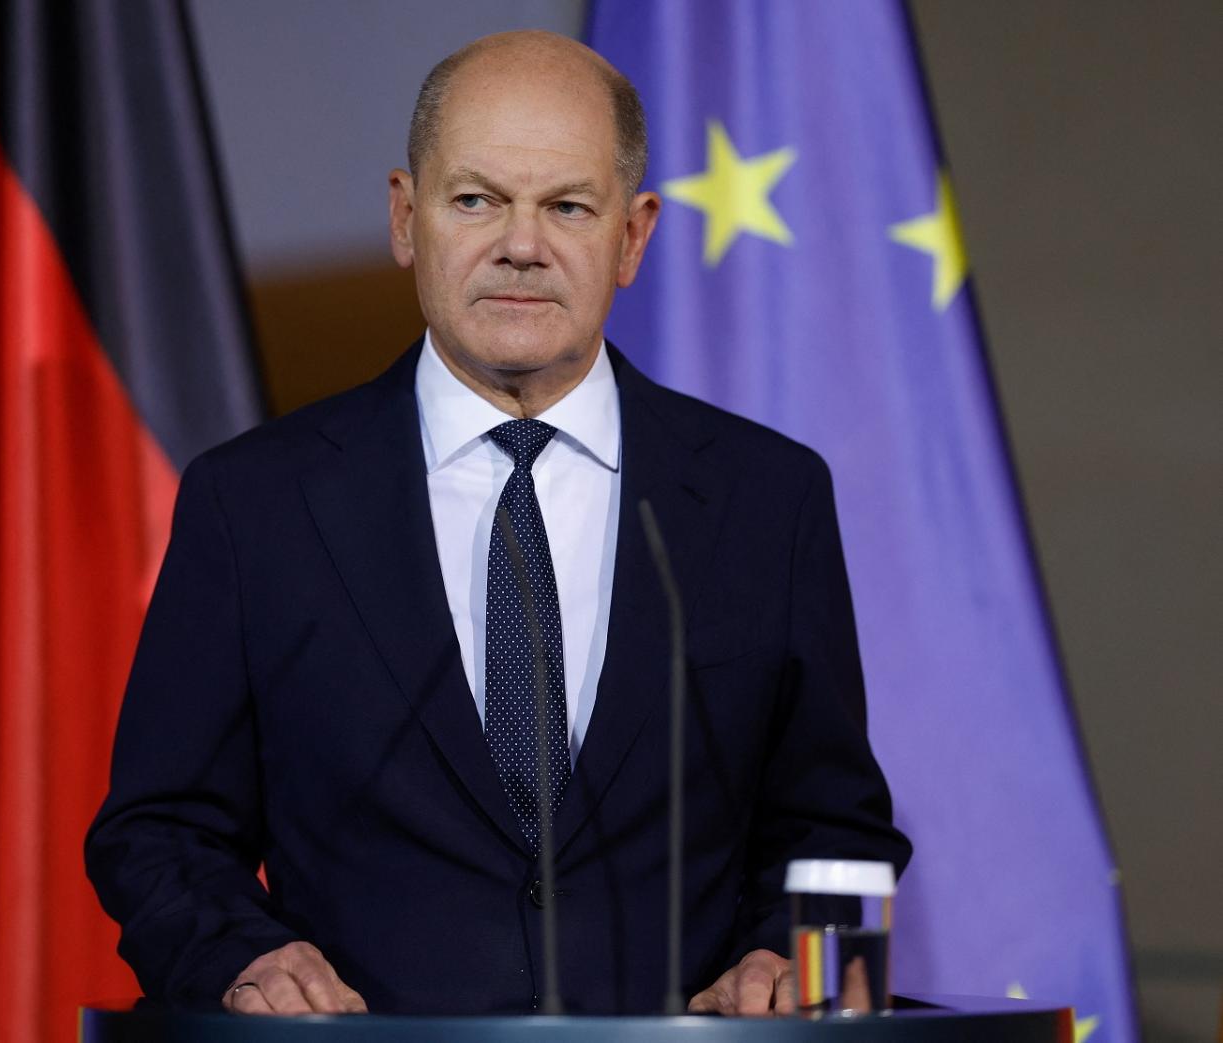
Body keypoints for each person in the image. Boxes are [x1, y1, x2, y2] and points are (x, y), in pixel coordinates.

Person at [85, 30, 909, 1018]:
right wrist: (242, 956)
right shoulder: (256, 502)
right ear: (406, 216)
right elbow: (159, 827)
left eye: (567, 205)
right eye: (476, 199)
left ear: (635, 235)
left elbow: (836, 828)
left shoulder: (764, 500)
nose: (521, 245)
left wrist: (788, 961)